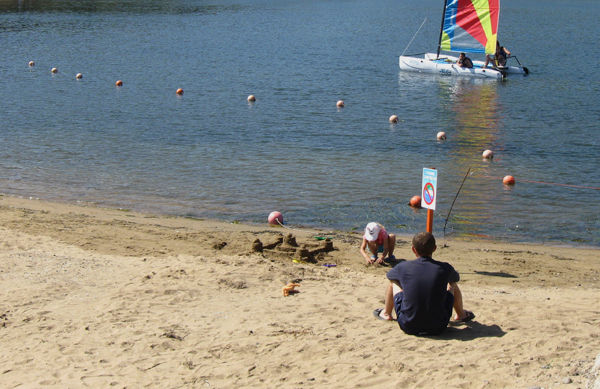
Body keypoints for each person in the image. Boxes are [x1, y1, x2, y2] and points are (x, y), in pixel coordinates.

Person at [373, 232, 475, 335]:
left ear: (413, 249)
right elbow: (455, 278)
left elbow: (390, 275)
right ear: (434, 248)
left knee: (393, 282)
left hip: (408, 325)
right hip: (439, 326)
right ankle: (460, 314)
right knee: (452, 283)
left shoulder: (404, 267)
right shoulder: (444, 268)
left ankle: (386, 313)